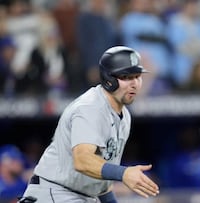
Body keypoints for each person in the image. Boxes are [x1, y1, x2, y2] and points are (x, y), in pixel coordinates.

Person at [19, 46, 160, 203]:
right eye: (126, 77)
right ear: (109, 79)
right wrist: (123, 173)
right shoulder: (90, 108)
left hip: (79, 196)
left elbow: (101, 182)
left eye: (137, 76)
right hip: (55, 192)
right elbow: (83, 160)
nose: (134, 83)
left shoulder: (124, 115)